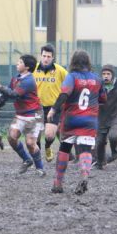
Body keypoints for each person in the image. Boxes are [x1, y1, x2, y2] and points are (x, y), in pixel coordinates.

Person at [48, 50, 106, 195]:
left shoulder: (72, 77)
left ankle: (57, 183)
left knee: (64, 149)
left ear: (73, 62)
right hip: (89, 121)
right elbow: (103, 98)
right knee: (85, 151)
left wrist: (53, 110)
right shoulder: (97, 79)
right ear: (88, 62)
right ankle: (84, 176)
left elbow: (64, 94)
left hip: (71, 120)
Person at [0, 55, 45, 176]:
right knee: (11, 137)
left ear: (27, 67)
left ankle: (40, 168)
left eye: (20, 62)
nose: (17, 64)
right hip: (21, 114)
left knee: (30, 143)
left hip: (34, 114)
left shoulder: (29, 81)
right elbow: (7, 94)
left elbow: (14, 94)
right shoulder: (16, 78)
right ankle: (27, 159)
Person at [33, 44, 68, 163]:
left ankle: (48, 146)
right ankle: (37, 159)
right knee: (35, 135)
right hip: (36, 107)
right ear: (40, 56)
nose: (46, 58)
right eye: (44, 56)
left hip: (53, 107)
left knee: (49, 135)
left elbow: (70, 83)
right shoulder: (34, 68)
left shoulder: (60, 70)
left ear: (53, 58)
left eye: (49, 56)